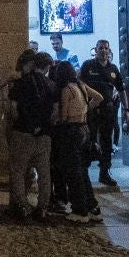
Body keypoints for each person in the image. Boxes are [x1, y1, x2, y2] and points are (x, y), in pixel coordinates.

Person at [5, 52, 55, 222]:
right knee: (44, 173)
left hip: (22, 133)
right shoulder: (51, 85)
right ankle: (42, 208)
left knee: (17, 171)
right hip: (44, 136)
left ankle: (22, 206)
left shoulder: (20, 84)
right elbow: (55, 113)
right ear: (47, 67)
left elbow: (12, 109)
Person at [54, 64, 101, 223]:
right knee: (83, 171)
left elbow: (64, 116)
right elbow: (99, 97)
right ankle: (92, 207)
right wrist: (86, 109)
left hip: (72, 131)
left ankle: (80, 211)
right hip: (84, 129)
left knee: (73, 173)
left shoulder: (67, 89)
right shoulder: (81, 85)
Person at [79, 39, 126, 188]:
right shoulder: (88, 65)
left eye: (106, 48)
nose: (103, 50)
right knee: (88, 140)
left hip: (108, 110)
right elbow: (79, 83)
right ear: (96, 50)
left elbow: (121, 89)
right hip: (91, 109)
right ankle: (83, 174)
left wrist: (127, 108)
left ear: (109, 50)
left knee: (106, 142)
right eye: (101, 48)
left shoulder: (113, 68)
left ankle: (104, 173)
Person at [45, 59, 80, 213]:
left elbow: (57, 114)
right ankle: (62, 196)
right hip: (70, 130)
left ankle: (55, 197)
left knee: (53, 166)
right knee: (61, 167)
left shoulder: (57, 90)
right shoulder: (78, 86)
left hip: (56, 131)